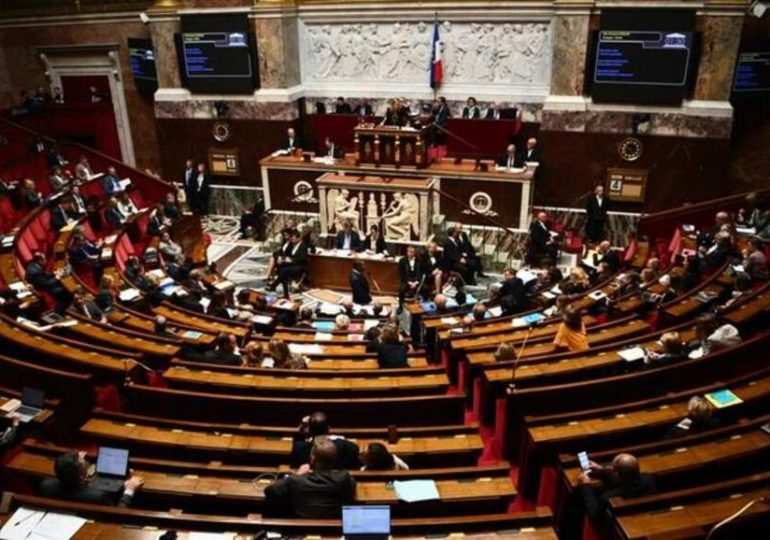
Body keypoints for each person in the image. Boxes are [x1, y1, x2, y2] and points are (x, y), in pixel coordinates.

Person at [266, 436, 356, 518]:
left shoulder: (296, 480)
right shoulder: (345, 479)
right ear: (334, 459)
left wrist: (297, 474)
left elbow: (270, 491)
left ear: (312, 459)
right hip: (332, 529)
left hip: (301, 529)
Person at [38, 450, 144, 507]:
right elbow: (117, 514)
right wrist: (129, 490)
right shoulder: (97, 497)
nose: (87, 462)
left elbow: (65, 467)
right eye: (85, 464)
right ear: (81, 476)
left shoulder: (46, 485)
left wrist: (75, 458)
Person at [578, 453, 656, 523]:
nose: (611, 468)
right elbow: (626, 480)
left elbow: (594, 514)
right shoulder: (649, 478)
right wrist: (601, 469)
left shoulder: (609, 497)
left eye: (613, 469)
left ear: (616, 475)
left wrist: (586, 486)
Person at [289, 412, 361, 470]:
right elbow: (355, 448)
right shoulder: (347, 447)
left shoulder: (300, 448)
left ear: (309, 431)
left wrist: (300, 430)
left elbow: (294, 463)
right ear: (328, 429)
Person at [268, 229, 308, 298]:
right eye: (291, 238)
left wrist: (291, 260)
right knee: (282, 270)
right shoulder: (292, 245)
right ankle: (285, 294)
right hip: (291, 264)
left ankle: (274, 285)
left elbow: (302, 258)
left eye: (294, 238)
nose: (292, 240)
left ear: (298, 238)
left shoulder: (303, 246)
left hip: (299, 266)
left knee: (284, 271)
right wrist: (283, 259)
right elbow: (286, 254)